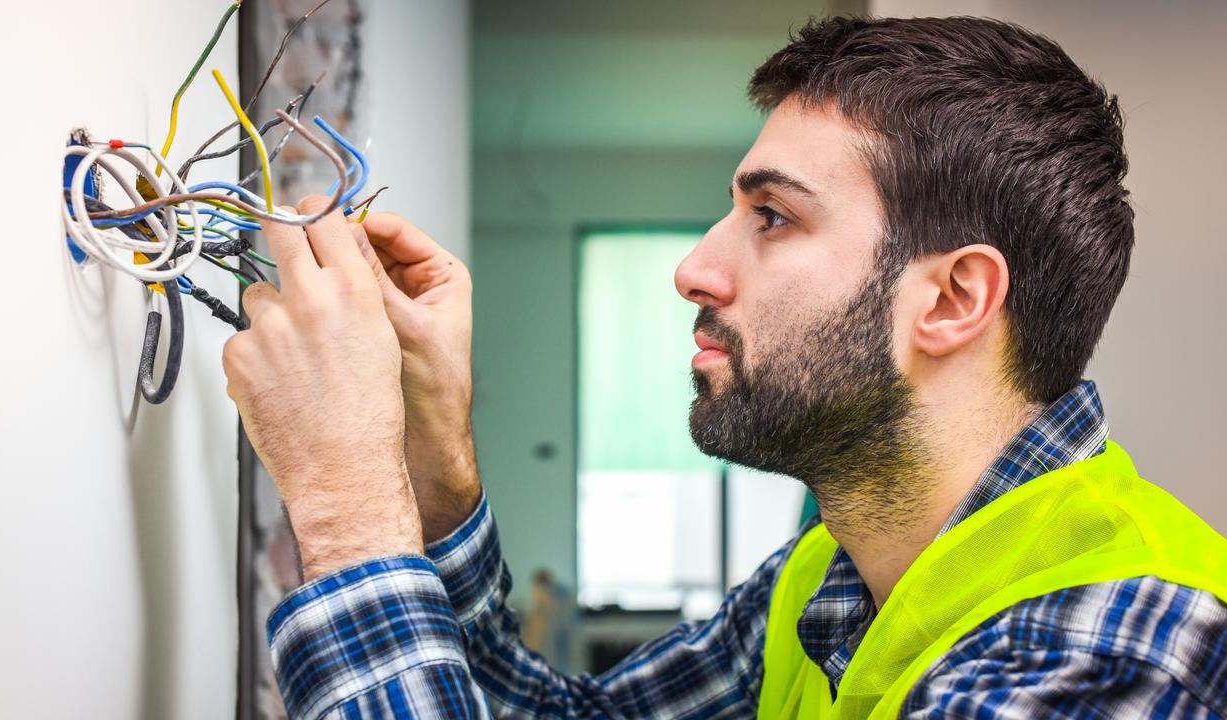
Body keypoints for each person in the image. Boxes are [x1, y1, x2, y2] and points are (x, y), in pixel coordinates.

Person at [221, 16, 1227, 719]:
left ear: (952, 299)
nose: (695, 267)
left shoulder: (1113, 654)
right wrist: (429, 465)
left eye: (772, 217)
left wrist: (348, 503)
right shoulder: (831, 582)